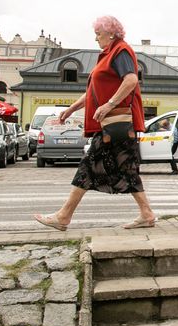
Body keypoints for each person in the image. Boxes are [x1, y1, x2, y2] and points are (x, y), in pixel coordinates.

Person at [35, 16, 157, 230]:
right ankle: (147, 214)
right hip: (111, 125)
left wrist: (109, 104)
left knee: (89, 166)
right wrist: (71, 109)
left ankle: (64, 216)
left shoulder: (121, 52)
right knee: (126, 169)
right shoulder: (108, 56)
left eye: (98, 34)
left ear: (111, 33)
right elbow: (92, 93)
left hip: (116, 124)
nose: (96, 38)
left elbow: (131, 80)